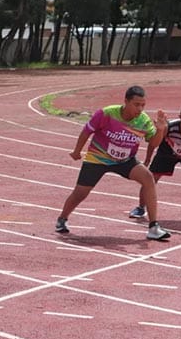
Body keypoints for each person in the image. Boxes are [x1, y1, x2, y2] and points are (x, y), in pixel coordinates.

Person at [55, 85, 171, 241]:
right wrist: (77, 151)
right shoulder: (107, 113)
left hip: (125, 160)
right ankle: (62, 218)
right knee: (80, 193)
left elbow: (154, 143)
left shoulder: (143, 121)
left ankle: (153, 227)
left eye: (143, 105)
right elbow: (87, 130)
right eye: (136, 104)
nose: (140, 109)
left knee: (148, 178)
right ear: (126, 101)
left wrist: (160, 130)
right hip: (98, 158)